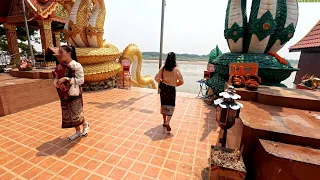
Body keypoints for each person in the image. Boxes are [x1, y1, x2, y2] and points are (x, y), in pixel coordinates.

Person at [52, 45, 90, 141]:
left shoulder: (76, 65)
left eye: (62, 52)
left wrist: (67, 79)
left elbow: (81, 80)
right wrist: (58, 84)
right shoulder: (59, 66)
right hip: (64, 94)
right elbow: (55, 78)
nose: (60, 55)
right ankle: (77, 131)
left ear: (69, 53)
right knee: (70, 115)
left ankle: (85, 124)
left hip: (74, 93)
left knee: (76, 113)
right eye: (59, 53)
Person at [155, 52, 184, 132]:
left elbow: (156, 78)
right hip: (171, 89)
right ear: (174, 59)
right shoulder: (176, 69)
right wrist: (175, 84)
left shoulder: (163, 68)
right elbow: (181, 81)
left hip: (164, 89)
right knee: (171, 106)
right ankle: (168, 122)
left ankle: (164, 121)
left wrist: (161, 81)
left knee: (164, 105)